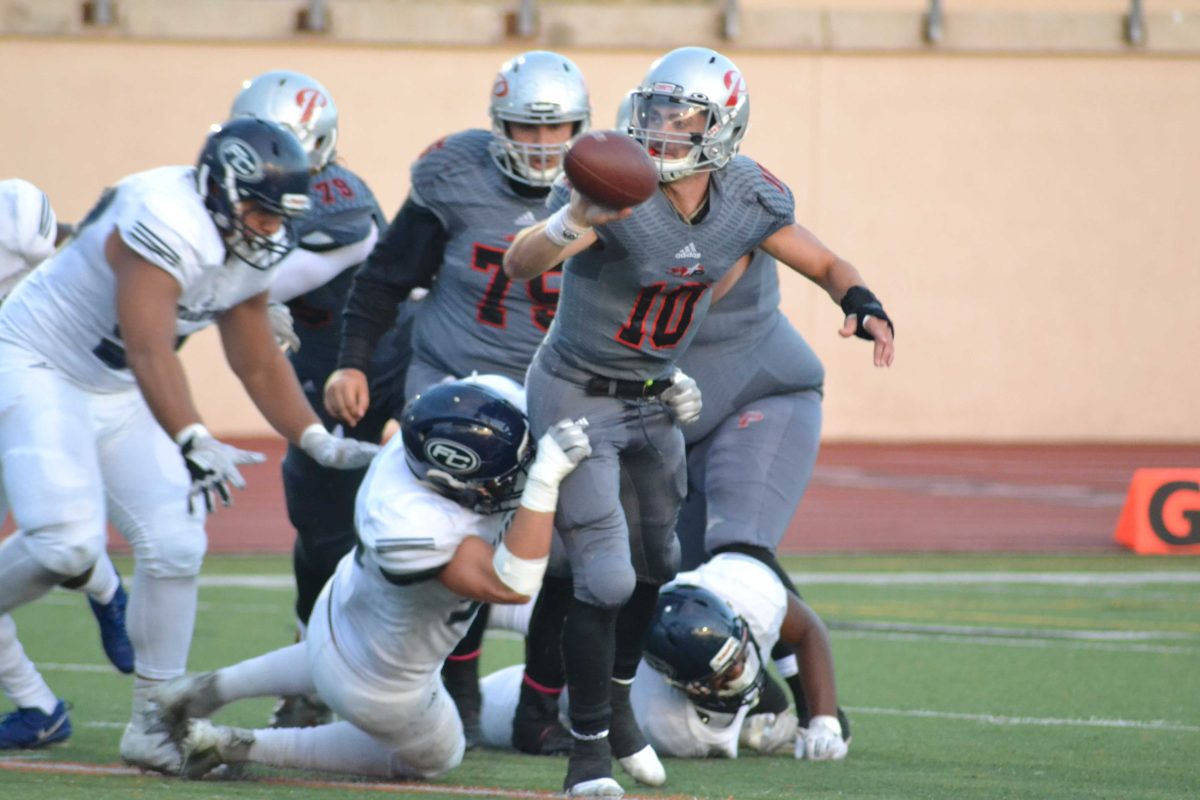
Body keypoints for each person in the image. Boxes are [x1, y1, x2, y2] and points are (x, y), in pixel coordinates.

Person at [503, 46, 893, 796]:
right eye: (652, 110)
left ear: (723, 129)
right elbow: (522, 264)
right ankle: (588, 759)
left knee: (659, 565)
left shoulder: (748, 198)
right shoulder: (616, 187)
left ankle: (616, 707)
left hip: (658, 397)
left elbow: (824, 262)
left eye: (680, 117)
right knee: (606, 576)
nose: (659, 129)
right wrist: (572, 220)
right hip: (579, 392)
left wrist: (861, 302)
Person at [0, 117, 379, 772]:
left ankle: (153, 723)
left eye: (278, 218)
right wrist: (192, 434)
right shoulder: (164, 214)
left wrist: (312, 437)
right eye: (259, 213)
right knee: (65, 541)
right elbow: (151, 345)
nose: (269, 231)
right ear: (221, 189)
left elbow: (255, 356)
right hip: (39, 364)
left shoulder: (247, 234)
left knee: (176, 543)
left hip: (115, 384)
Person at [323, 50, 590, 745]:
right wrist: (353, 362)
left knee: (570, 554)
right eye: (524, 130)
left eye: (556, 128)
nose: (541, 145)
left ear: (582, 126)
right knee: (458, 540)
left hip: (553, 386)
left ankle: (538, 707)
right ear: (496, 126)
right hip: (454, 386)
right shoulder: (454, 174)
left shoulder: (608, 181)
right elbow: (384, 280)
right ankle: (461, 695)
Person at [148, 375, 592, 781]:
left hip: (340, 613)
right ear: (450, 478)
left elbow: (507, 401)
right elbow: (510, 585)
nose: (511, 482)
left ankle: (207, 690)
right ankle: (236, 747)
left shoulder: (445, 426)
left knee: (326, 656)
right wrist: (543, 481)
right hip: (380, 679)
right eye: (501, 478)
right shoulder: (411, 521)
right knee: (441, 756)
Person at [225, 69, 413, 728]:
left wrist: (250, 294)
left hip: (384, 368)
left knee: (406, 526)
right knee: (319, 530)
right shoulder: (227, 189)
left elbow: (299, 269)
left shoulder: (340, 196)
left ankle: (424, 679)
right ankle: (311, 665)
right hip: (314, 378)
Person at [477, 552, 850, 760]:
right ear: (681, 684)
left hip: (637, 611)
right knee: (484, 709)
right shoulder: (674, 726)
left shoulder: (749, 592)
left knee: (763, 699)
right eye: (722, 676)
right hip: (589, 683)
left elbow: (807, 630)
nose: (740, 672)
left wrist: (824, 721)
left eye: (735, 658)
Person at [0, 179, 134, 749]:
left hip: (33, 401)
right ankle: (38, 706)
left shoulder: (19, 219)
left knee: (58, 537)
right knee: (57, 540)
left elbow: (83, 241)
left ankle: (106, 591)